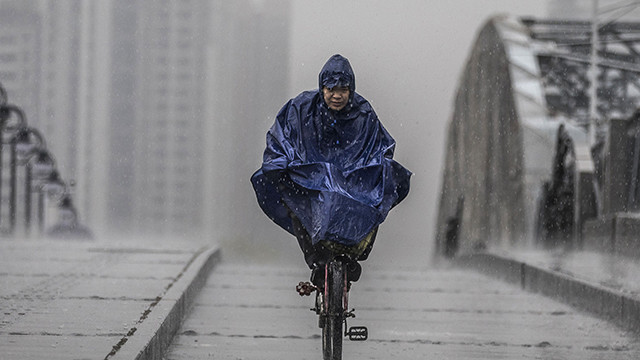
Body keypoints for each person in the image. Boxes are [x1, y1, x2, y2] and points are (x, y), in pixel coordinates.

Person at [251, 54, 411, 288]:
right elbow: (282, 136)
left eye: (343, 89)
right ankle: (316, 263)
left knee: (379, 196)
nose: (337, 95)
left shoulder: (363, 113)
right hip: (310, 180)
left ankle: (352, 257)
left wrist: (379, 171)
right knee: (296, 202)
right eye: (331, 89)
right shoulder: (301, 108)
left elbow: (380, 146)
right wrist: (280, 163)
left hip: (352, 182)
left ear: (351, 89)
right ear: (322, 88)